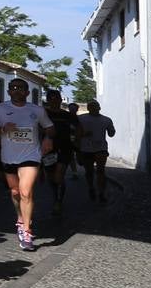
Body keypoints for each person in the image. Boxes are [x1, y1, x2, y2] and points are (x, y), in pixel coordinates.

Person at [0, 78, 54, 251]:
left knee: (26, 191)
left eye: (21, 88)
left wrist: (48, 138)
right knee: (15, 192)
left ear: (27, 92)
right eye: (13, 88)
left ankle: (27, 231)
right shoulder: (0, 109)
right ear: (8, 91)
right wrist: (2, 130)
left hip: (31, 156)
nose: (17, 90)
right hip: (9, 157)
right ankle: (20, 217)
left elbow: (50, 127)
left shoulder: (37, 110)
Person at [42, 89, 79, 218]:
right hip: (48, 150)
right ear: (47, 100)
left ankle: (58, 201)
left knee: (59, 175)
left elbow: (79, 129)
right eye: (50, 98)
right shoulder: (43, 114)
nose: (54, 100)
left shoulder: (68, 115)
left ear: (60, 99)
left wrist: (77, 143)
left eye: (56, 98)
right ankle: (55, 195)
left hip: (65, 148)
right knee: (51, 177)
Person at [76, 100, 116, 203]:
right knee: (89, 171)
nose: (94, 108)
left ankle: (101, 193)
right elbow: (75, 134)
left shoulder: (106, 120)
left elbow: (111, 134)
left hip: (101, 149)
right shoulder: (81, 119)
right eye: (91, 107)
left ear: (99, 108)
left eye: (96, 106)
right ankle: (91, 187)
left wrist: (111, 130)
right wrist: (83, 136)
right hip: (86, 149)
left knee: (100, 171)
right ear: (88, 108)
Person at [65, 101, 83, 179]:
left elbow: (82, 129)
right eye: (71, 108)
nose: (72, 110)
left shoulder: (80, 119)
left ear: (77, 109)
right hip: (68, 140)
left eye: (74, 109)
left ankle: (85, 168)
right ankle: (75, 173)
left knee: (80, 158)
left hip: (78, 140)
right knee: (71, 157)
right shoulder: (66, 118)